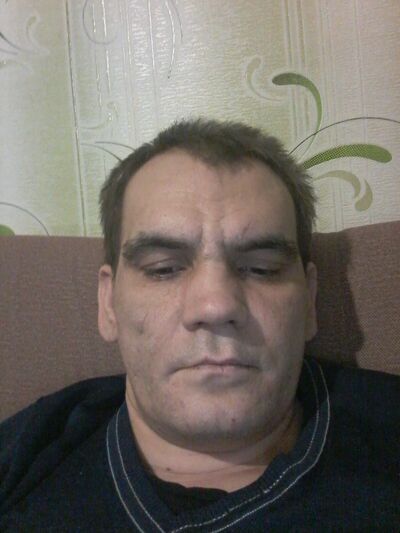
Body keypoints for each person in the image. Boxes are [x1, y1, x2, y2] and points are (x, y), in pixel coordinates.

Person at [0, 119, 398, 531]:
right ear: (108, 304)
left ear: (310, 302)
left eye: (261, 268)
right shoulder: (28, 454)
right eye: (163, 268)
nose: (215, 305)